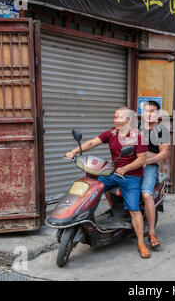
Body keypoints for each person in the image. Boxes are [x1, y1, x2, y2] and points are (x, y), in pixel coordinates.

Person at [65, 107, 151, 259]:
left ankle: (141, 243)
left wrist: (125, 168)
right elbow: (92, 142)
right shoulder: (111, 133)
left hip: (132, 176)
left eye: (119, 117)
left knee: (133, 210)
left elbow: (141, 159)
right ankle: (111, 212)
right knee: (94, 186)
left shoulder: (139, 137)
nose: (115, 120)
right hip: (114, 173)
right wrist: (74, 151)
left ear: (128, 120)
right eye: (115, 117)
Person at [138, 101, 170, 249]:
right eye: (146, 111)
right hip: (135, 163)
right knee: (107, 182)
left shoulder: (162, 130)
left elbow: (163, 154)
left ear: (157, 114)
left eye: (152, 111)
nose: (149, 114)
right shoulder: (138, 128)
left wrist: (147, 160)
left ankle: (151, 232)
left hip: (150, 166)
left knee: (146, 195)